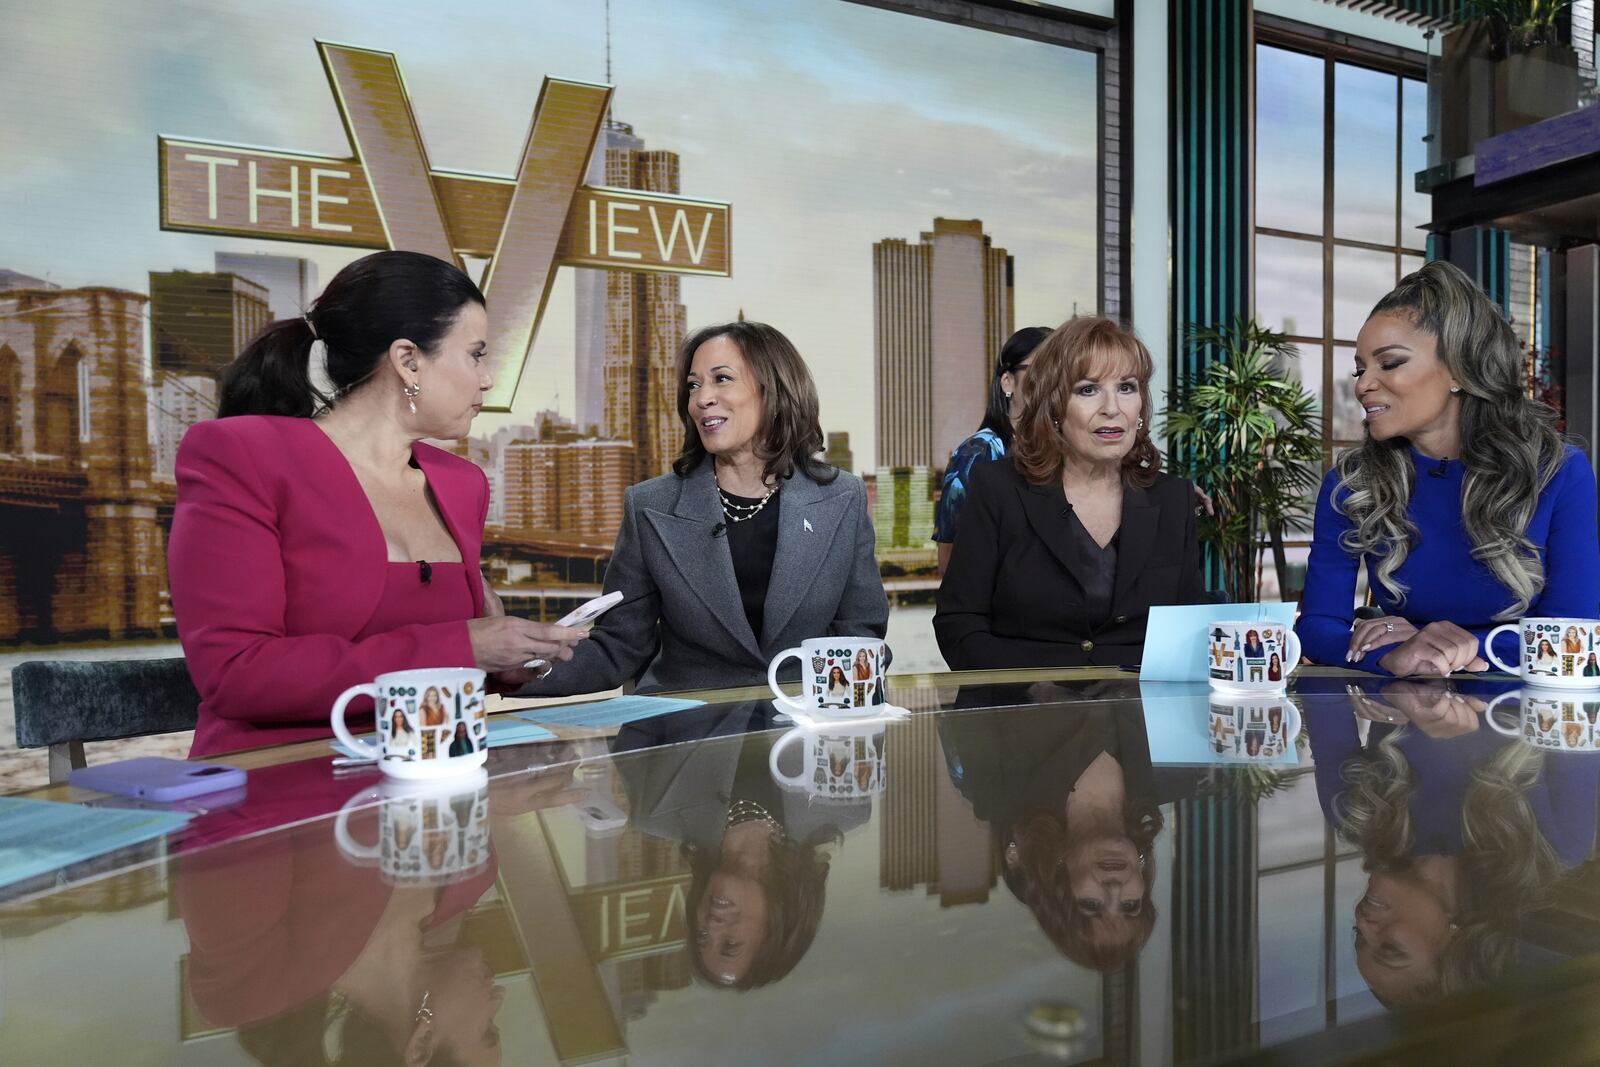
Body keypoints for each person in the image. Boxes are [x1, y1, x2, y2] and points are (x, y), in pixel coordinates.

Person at [168, 251, 585, 757]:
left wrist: (504, 666)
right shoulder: (242, 454)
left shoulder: (463, 482)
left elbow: (447, 675)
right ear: (408, 360)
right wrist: (466, 646)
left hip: (436, 789)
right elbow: (237, 674)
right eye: (475, 354)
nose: (487, 377)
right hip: (283, 783)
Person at [518, 322, 888, 697]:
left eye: (721, 379)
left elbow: (862, 631)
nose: (701, 399)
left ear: (773, 389)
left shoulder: (842, 497)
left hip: (807, 737)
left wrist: (828, 712)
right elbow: (620, 646)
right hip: (689, 738)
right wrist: (513, 671)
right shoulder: (650, 506)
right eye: (694, 386)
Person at [1297, 260, 1600, 678]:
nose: (1363, 384)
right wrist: (1389, 655)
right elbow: (1316, 627)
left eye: (1389, 363)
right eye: (1360, 368)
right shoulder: (1352, 483)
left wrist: (1459, 646)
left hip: (1531, 722)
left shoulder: (1559, 472)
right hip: (1403, 723)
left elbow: (1575, 631)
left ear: (1459, 368)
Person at [935, 316, 1206, 669]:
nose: (1112, 408)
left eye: (1126, 387)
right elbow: (959, 627)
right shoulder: (997, 489)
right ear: (1054, 407)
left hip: (1141, 716)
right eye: (1087, 389)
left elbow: (1191, 634)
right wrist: (1037, 688)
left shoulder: (1174, 499)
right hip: (1024, 712)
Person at [612, 702, 856, 989]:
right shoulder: (844, 806)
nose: (711, 926)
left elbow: (641, 707)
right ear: (779, 926)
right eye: (730, 944)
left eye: (701, 936)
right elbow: (861, 692)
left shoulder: (653, 813)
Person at [939, 700, 1163, 971]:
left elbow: (970, 671)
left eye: (1091, 904)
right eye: (1130, 905)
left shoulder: (995, 788)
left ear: (1058, 887)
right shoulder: (1172, 774)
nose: (1114, 890)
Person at [933, 326, 1053, 574]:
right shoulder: (978, 453)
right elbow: (951, 557)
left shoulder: (1071, 452)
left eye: (1061, 372)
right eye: (1040, 371)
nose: (1051, 382)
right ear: (1008, 382)